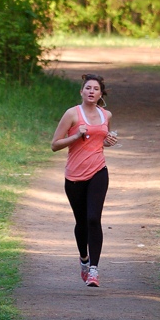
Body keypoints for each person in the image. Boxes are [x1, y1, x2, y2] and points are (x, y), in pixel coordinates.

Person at [51, 73, 118, 287]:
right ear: (81, 92)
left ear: (101, 94)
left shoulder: (105, 115)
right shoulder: (72, 114)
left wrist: (109, 141)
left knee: (93, 219)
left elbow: (99, 141)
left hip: (99, 170)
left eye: (96, 89)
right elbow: (55, 144)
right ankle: (84, 259)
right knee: (81, 223)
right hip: (74, 176)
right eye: (88, 88)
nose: (91, 92)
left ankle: (94, 271)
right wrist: (75, 136)